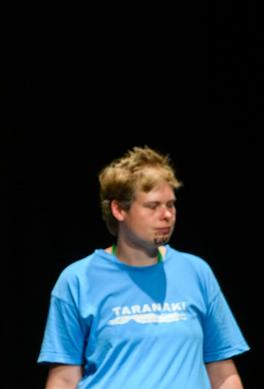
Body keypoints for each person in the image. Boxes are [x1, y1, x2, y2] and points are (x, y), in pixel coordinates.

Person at [38, 146, 248, 389]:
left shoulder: (196, 272)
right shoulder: (78, 279)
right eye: (153, 206)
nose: (166, 215)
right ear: (119, 209)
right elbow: (64, 379)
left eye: (171, 204)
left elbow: (223, 373)